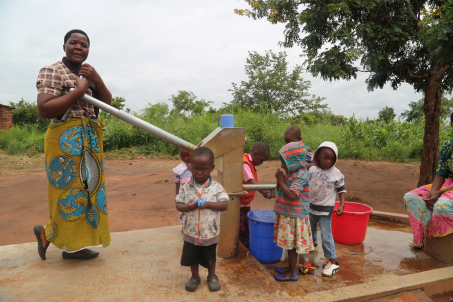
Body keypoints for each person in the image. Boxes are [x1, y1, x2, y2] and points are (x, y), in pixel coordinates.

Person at [33, 29, 112, 260]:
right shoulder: (52, 70)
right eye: (73, 42)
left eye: (84, 44)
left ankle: (73, 246)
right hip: (64, 140)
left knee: (91, 192)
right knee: (68, 193)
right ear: (64, 45)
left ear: (88, 50)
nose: (79, 47)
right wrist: (78, 91)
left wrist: (96, 80)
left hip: (90, 138)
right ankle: (53, 236)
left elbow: (106, 105)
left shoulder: (89, 74)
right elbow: (45, 108)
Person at [175, 147, 229, 292]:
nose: (199, 172)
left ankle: (212, 276)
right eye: (195, 168)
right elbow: (178, 204)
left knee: (210, 257)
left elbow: (224, 205)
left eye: (204, 169)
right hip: (191, 232)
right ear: (190, 167)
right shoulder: (186, 187)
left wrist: (207, 204)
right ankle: (194, 277)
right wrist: (187, 207)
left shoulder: (217, 188)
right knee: (192, 257)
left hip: (209, 232)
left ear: (212, 168)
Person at [404, 113, 453, 249]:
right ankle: (423, 240)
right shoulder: (449, 145)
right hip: (449, 185)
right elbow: (441, 172)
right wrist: (432, 193)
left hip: (447, 189)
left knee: (442, 206)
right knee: (411, 198)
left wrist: (439, 193)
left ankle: (441, 247)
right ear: (451, 125)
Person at [273, 141, 314, 281]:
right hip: (289, 214)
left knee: (292, 247)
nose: (282, 165)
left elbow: (292, 195)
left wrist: (282, 180)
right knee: (289, 244)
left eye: (284, 162)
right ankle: (291, 267)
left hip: (296, 216)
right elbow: (280, 190)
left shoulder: (301, 174)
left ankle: (292, 273)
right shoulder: (290, 172)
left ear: (294, 161)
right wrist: (280, 180)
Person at [308, 141, 345, 277]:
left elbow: (342, 190)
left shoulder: (336, 173)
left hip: (325, 212)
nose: (329, 161)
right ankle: (313, 244)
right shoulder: (312, 170)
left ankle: (333, 262)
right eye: (325, 158)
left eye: (332, 159)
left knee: (326, 235)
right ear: (318, 157)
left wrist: (342, 205)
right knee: (310, 230)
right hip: (311, 208)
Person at [240, 142, 271, 248]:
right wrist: (263, 191)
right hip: (239, 204)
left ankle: (246, 243)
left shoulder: (249, 162)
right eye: (261, 160)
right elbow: (250, 181)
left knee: (246, 224)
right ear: (255, 154)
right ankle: (242, 247)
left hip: (245, 202)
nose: (261, 163)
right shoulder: (245, 163)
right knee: (241, 227)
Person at [173, 147, 192, 224]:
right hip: (183, 194)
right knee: (183, 211)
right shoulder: (179, 169)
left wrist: (193, 168)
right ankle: (184, 226)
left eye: (188, 155)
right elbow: (177, 183)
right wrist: (177, 195)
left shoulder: (197, 167)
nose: (185, 158)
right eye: (183, 156)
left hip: (194, 192)